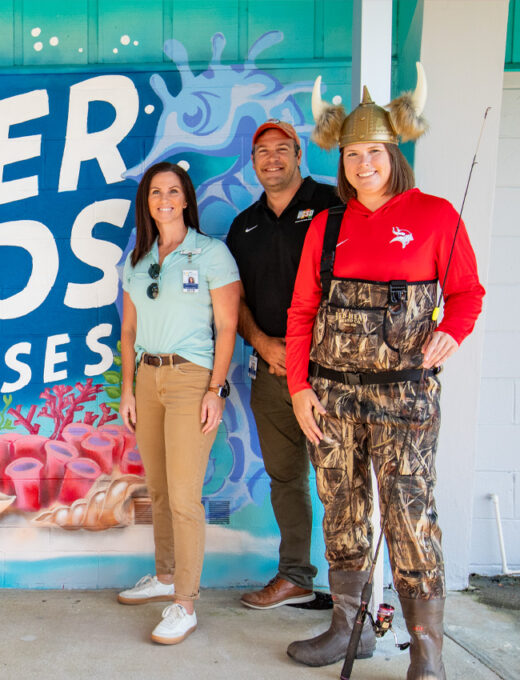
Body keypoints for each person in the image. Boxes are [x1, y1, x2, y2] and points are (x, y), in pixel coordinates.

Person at [285, 72, 484, 678]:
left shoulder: (435, 216)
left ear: (394, 154)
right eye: (352, 154)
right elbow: (302, 310)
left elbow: (468, 293)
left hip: (406, 400)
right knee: (342, 510)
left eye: (373, 152)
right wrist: (299, 387)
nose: (363, 164)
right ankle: (349, 631)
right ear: (341, 161)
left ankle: (427, 654)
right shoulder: (326, 225)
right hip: (332, 399)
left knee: (410, 516)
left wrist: (453, 330)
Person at [116, 161, 240, 644]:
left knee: (185, 496)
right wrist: (128, 388)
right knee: (160, 490)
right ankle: (165, 576)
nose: (164, 199)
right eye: (155, 192)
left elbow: (227, 326)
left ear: (186, 198)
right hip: (148, 377)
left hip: (191, 379)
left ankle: (184, 603)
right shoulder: (138, 259)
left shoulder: (210, 253)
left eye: (172, 191)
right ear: (146, 203)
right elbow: (129, 330)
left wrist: (215, 389)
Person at [226, 120, 342, 609]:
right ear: (253, 163)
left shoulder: (335, 205)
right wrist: (260, 342)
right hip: (271, 374)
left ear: (298, 153)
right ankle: (296, 577)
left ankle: (352, 591)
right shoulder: (244, 225)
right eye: (262, 152)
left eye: (281, 149)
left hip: (329, 374)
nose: (271, 158)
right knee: (286, 478)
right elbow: (233, 301)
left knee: (343, 480)